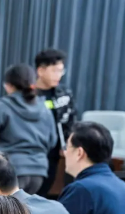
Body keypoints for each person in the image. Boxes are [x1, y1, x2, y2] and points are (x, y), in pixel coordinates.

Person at [0, 63, 57, 194]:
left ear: (8, 85)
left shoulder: (2, 107)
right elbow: (52, 141)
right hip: (38, 174)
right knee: (22, 207)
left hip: (9, 171)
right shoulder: (45, 110)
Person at [34, 49, 77, 197]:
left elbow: (71, 120)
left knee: (45, 189)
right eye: (54, 71)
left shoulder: (64, 93)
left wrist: (68, 143)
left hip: (54, 153)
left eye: (61, 71)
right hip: (33, 153)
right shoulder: (27, 94)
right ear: (41, 71)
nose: (58, 75)